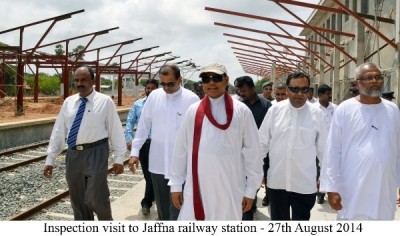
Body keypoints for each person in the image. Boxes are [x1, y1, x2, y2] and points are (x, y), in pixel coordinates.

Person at [168, 62, 263, 220]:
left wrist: (251, 190)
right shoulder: (193, 111)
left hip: (231, 189)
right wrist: (176, 184)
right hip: (197, 189)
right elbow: (181, 150)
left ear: (226, 80)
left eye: (216, 78)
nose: (211, 82)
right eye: (206, 78)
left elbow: (253, 153)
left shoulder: (241, 111)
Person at [43, 65, 126, 220]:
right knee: (78, 200)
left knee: (96, 197)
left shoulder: (105, 102)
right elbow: (59, 131)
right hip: (73, 154)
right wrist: (50, 159)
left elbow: (115, 131)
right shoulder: (68, 102)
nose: (80, 83)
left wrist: (119, 158)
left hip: (96, 152)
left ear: (92, 81)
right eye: (77, 80)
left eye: (84, 80)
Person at [320, 62, 400, 220]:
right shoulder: (345, 109)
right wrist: (331, 188)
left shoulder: (393, 109)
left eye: (378, 77)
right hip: (352, 189)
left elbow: (397, 149)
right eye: (368, 78)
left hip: (385, 189)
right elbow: (333, 151)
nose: (375, 81)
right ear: (357, 82)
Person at [128, 64, 199, 221]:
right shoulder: (154, 97)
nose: (166, 87)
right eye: (163, 83)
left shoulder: (191, 99)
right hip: (158, 164)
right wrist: (135, 152)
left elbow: (197, 134)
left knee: (182, 210)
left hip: (182, 166)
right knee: (163, 211)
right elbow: (143, 125)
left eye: (171, 83)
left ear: (180, 79)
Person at [258, 71, 328, 221]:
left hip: (304, 183)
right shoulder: (275, 110)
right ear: (288, 90)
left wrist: (324, 177)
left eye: (304, 89)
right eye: (295, 89)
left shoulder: (317, 114)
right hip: (277, 181)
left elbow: (324, 150)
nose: (300, 93)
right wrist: (256, 172)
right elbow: (262, 144)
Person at [236, 75, 272, 220]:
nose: (241, 93)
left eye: (244, 90)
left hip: (260, 153)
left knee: (256, 181)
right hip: (239, 152)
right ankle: (247, 212)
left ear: (252, 89)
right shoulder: (237, 106)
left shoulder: (266, 106)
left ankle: (251, 202)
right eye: (239, 90)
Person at [125, 79, 158, 215]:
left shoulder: (163, 105)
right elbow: (130, 122)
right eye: (148, 88)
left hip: (159, 145)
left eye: (152, 88)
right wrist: (129, 139)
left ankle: (146, 202)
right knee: (147, 174)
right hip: (144, 144)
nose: (149, 90)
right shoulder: (138, 104)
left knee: (153, 174)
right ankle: (153, 194)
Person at [313, 84, 337, 205]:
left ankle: (330, 191)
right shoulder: (313, 109)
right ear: (320, 95)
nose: (330, 96)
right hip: (318, 145)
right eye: (328, 94)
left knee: (331, 169)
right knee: (320, 170)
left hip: (333, 145)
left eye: (330, 93)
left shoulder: (335, 108)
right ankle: (320, 193)